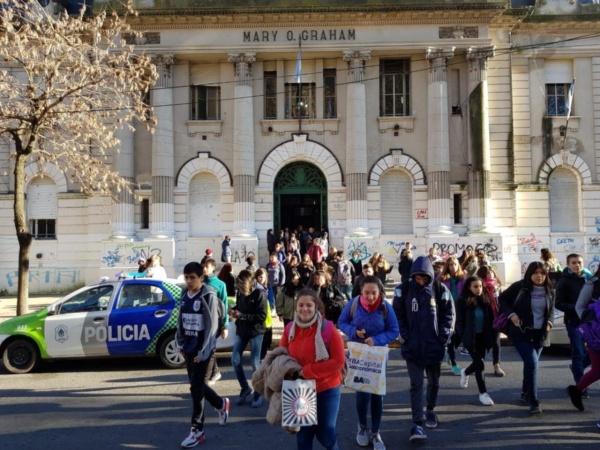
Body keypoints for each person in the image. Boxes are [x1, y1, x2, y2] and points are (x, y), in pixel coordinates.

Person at [393, 256, 454, 442]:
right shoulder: (402, 289)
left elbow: (449, 315)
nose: (421, 281)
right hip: (412, 347)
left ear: (429, 276)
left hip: (433, 347)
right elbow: (397, 315)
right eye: (417, 278)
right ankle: (417, 424)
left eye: (424, 278)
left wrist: (442, 338)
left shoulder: (440, 289)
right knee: (416, 385)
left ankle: (431, 410)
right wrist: (404, 336)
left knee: (434, 383)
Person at [338, 276, 400, 450]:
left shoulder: (385, 307)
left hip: (378, 358)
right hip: (358, 357)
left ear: (380, 291)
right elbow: (342, 322)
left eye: (374, 293)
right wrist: (354, 332)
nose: (370, 297)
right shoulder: (354, 304)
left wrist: (377, 339)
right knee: (362, 395)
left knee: (377, 395)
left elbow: (394, 330)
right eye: (367, 293)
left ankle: (376, 432)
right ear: (361, 291)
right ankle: (362, 427)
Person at [280, 289, 346, 450]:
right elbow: (281, 357)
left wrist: (307, 371)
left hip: (327, 388)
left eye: (309, 305)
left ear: (316, 307)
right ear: (296, 308)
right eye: (301, 305)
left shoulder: (329, 329)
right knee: (303, 437)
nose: (304, 309)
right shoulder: (289, 329)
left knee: (326, 434)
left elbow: (338, 361)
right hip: (300, 390)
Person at [176, 262, 230, 448]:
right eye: (186, 277)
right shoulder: (185, 295)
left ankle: (197, 430)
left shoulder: (208, 296)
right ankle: (221, 404)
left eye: (193, 277)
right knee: (195, 385)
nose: (189, 281)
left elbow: (212, 326)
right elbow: (181, 320)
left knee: (196, 389)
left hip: (202, 350)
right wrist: (180, 343)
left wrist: (204, 351)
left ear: (201, 277)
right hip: (189, 348)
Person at [499, 261, 554, 415]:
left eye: (542, 273)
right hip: (521, 332)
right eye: (536, 272)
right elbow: (502, 299)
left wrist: (549, 323)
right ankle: (534, 401)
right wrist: (512, 315)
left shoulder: (549, 289)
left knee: (530, 366)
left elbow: (551, 309)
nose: (539, 276)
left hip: (541, 334)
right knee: (532, 363)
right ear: (529, 274)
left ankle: (525, 393)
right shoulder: (520, 287)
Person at [456, 276, 496, 406]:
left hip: (483, 338)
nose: (479, 289)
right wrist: (463, 334)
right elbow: (459, 322)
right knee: (480, 365)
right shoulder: (462, 302)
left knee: (479, 363)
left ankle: (465, 372)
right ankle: (483, 393)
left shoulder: (485, 300)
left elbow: (491, 319)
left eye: (480, 286)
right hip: (470, 338)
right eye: (475, 287)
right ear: (469, 287)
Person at [230, 269, 267, 408]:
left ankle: (258, 393)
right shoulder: (241, 292)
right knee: (234, 359)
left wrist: (242, 315)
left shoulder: (260, 293)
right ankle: (245, 388)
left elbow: (261, 316)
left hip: (256, 331)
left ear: (249, 282)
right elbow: (239, 307)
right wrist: (233, 310)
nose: (238, 286)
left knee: (254, 362)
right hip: (242, 330)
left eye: (241, 283)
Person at [555, 253, 592, 388]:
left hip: (589, 322)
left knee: (594, 350)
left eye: (579, 262)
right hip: (573, 322)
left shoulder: (589, 279)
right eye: (574, 262)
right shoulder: (563, 281)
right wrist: (577, 308)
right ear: (568, 265)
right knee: (578, 352)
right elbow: (558, 303)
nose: (577, 265)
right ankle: (581, 385)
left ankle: (578, 367)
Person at [567, 269, 600, 419]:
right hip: (595, 334)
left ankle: (576, 389)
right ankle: (577, 389)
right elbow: (579, 306)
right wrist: (590, 326)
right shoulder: (592, 283)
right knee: (597, 370)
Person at [203, 258, 228, 386]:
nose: (204, 269)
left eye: (206, 266)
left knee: (211, 348)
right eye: (203, 266)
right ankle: (215, 371)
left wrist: (225, 325)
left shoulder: (220, 284)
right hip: (202, 321)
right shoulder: (200, 282)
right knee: (208, 348)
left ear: (213, 268)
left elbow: (224, 305)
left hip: (215, 321)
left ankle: (207, 378)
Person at [476, 265, 505, 377]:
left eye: (492, 271)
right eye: (488, 272)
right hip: (484, 317)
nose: (491, 273)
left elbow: (502, 301)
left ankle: (496, 365)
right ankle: (479, 363)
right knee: (483, 341)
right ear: (483, 275)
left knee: (496, 342)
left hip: (496, 317)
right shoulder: (480, 286)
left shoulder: (497, 286)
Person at [439, 256, 466, 376]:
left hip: (460, 310)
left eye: (455, 264)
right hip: (447, 310)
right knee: (450, 335)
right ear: (447, 266)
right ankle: (454, 365)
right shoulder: (442, 279)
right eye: (450, 265)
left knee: (460, 335)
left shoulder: (463, 279)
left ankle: (450, 353)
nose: (453, 267)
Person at [256, 268, 274, 363]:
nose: (261, 279)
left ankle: (263, 355)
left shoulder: (268, 286)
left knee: (267, 337)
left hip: (267, 316)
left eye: (263, 277)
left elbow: (271, 299)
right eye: (259, 277)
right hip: (259, 316)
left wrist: (270, 306)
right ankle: (260, 357)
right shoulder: (255, 287)